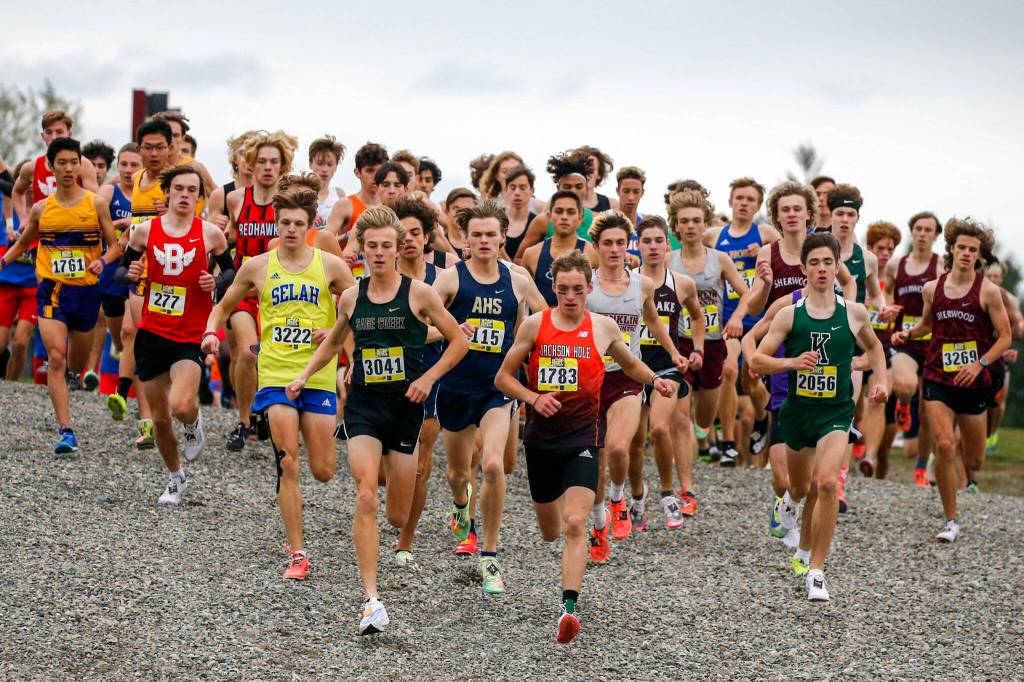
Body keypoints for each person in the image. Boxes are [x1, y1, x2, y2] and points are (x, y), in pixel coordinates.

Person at [287, 206, 467, 635]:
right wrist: (305, 375)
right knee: (366, 494)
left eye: (387, 245)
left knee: (397, 516)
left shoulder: (420, 294)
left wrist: (428, 377)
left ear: (400, 247)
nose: (381, 252)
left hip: (406, 407)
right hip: (364, 406)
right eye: (373, 246)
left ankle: (399, 504)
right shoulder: (352, 297)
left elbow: (459, 340)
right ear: (363, 250)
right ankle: (371, 598)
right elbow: (334, 343)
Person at [495, 250, 675, 644]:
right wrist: (533, 397)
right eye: (563, 290)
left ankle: (569, 609)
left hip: (583, 437)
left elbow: (629, 364)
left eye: (578, 289)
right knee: (550, 531)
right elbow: (503, 378)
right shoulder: (535, 325)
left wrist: (655, 380)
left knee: (575, 523)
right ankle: (566, 573)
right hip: (541, 440)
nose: (571, 297)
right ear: (554, 289)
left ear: (589, 289)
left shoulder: (603, 327)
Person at [205, 188, 354, 574]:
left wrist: (337, 334)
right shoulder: (257, 266)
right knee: (288, 462)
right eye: (284, 222)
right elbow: (223, 305)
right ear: (276, 223)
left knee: (323, 470)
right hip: (275, 374)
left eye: (298, 223)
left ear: (310, 225)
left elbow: (359, 307)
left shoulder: (330, 265)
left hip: (317, 376)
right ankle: (298, 553)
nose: (290, 229)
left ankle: (311, 454)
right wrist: (210, 333)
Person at [752, 232, 888, 602]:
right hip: (798, 412)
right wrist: (791, 362)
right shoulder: (790, 315)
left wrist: (882, 381)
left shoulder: (853, 313)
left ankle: (816, 571)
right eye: (815, 263)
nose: (822, 269)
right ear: (804, 269)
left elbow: (876, 348)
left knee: (826, 484)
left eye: (829, 262)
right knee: (800, 487)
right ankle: (789, 503)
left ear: (837, 266)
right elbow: (758, 359)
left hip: (836, 413)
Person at [432, 200, 547, 593]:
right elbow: (420, 326)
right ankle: (460, 505)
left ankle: (490, 556)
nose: (483, 241)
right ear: (466, 239)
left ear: (502, 238)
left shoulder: (518, 279)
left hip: (497, 387)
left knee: (495, 465)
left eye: (490, 235)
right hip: (455, 387)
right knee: (457, 474)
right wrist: (452, 330)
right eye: (476, 235)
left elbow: (546, 321)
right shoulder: (450, 280)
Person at [119, 165, 233, 503]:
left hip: (190, 333)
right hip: (152, 332)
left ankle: (193, 423)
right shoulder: (144, 231)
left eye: (192, 190)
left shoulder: (210, 233)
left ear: (199, 197)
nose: (185, 195)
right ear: (167, 192)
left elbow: (231, 271)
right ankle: (175, 476)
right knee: (159, 419)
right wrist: (130, 273)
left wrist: (216, 281)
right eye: (179, 189)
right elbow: (121, 271)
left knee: (181, 404)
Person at [892, 218, 1010, 543]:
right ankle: (951, 520)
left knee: (974, 460)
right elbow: (926, 325)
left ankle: (960, 466)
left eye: (973, 250)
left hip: (973, 382)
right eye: (962, 248)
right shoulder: (933, 288)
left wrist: (980, 363)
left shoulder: (988, 291)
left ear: (980, 255)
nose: (967, 254)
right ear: (952, 250)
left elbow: (1005, 336)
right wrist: (907, 334)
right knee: (944, 446)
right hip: (937, 375)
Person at [1, 138, 117, 453]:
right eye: (61, 163)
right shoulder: (41, 209)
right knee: (55, 357)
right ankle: (66, 431)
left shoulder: (95, 204)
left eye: (73, 162)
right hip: (52, 290)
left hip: (86, 292)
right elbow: (22, 243)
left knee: (75, 365)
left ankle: (71, 375)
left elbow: (115, 245)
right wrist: (3, 261)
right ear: (51, 167)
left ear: (80, 165)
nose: (68, 168)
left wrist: (103, 261)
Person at [586, 211, 687, 556]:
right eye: (608, 243)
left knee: (619, 448)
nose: (615, 249)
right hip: (591, 379)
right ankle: (598, 526)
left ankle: (618, 499)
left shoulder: (641, 284)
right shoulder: (587, 285)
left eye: (620, 243)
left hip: (627, 376)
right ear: (596, 246)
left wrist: (673, 352)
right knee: (596, 460)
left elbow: (654, 321)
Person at [392, 196, 458, 566]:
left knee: (419, 464)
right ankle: (395, 507)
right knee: (389, 464)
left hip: (431, 375)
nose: (409, 240)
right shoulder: (382, 277)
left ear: (427, 236)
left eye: (415, 233)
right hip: (384, 377)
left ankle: (405, 541)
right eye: (402, 234)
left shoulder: (442, 279)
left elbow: (452, 330)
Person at [627, 215, 704, 529]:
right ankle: (636, 497)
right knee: (634, 441)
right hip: (633, 366)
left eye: (659, 240)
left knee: (660, 428)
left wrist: (697, 349)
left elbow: (697, 317)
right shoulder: (628, 281)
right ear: (638, 245)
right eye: (647, 241)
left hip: (668, 366)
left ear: (667, 243)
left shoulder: (682, 283)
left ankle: (669, 494)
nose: (653, 247)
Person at [223, 130, 299, 450]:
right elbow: (230, 235)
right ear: (251, 164)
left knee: (274, 356)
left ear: (283, 166)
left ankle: (269, 411)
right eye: (262, 161)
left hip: (279, 291)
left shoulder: (290, 203)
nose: (267, 167)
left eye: (274, 162)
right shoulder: (235, 199)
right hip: (244, 290)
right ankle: (244, 421)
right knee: (246, 352)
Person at [668, 190, 753, 468]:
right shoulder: (668, 260)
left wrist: (737, 317)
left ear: (705, 224)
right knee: (680, 415)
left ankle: (703, 435)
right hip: (679, 342)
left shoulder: (720, 259)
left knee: (704, 417)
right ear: (676, 226)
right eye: (684, 221)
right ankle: (686, 473)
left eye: (696, 221)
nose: (690, 226)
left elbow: (746, 293)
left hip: (713, 342)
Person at [703, 177, 780, 463]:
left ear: (758, 206)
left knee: (751, 381)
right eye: (739, 198)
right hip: (727, 319)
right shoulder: (714, 236)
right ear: (731, 201)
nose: (744, 204)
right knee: (728, 370)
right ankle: (728, 443)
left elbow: (789, 254)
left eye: (750, 200)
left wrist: (764, 254)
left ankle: (761, 418)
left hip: (758, 320)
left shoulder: (765, 233)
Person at [886, 211, 942, 485]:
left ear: (936, 235)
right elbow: (886, 293)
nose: (922, 234)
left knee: (929, 411)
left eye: (928, 230)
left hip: (932, 343)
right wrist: (888, 306)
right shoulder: (896, 265)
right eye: (918, 228)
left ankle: (921, 467)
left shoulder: (941, 266)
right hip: (904, 340)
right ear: (912, 232)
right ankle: (904, 404)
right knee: (906, 385)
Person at [95, 143, 143, 391]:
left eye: (134, 165)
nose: (128, 169)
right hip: (112, 272)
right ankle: (124, 367)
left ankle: (134, 390)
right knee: (119, 337)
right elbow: (92, 219)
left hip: (138, 271)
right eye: (124, 164)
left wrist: (134, 222)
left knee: (130, 331)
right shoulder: (109, 192)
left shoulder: (151, 195)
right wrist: (115, 224)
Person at [11, 110, 99, 223]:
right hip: (41, 231)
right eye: (49, 132)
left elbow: (95, 204)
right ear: (43, 136)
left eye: (59, 132)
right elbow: (17, 192)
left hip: (73, 229)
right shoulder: (31, 167)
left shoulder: (84, 164)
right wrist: (23, 219)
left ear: (69, 134)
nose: (54, 137)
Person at [513, 151, 598, 259]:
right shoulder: (543, 221)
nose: (573, 191)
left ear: (586, 188)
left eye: (578, 186)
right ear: (558, 188)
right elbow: (518, 258)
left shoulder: (596, 220)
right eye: (567, 187)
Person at [521, 191, 598, 308]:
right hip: (542, 319)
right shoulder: (531, 254)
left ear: (580, 217)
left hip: (581, 319)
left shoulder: (593, 254)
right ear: (549, 216)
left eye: (571, 212)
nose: (564, 217)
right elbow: (522, 300)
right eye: (559, 211)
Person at [326, 141, 388, 244]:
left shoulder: (389, 205)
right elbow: (323, 242)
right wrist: (350, 235)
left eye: (379, 171)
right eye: (370, 171)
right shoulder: (345, 205)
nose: (375, 176)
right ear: (357, 172)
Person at [306, 135, 347, 229]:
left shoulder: (339, 194)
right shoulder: (299, 193)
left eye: (330, 164)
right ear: (310, 164)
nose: (324, 169)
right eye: (320, 163)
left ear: (336, 167)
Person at [500, 164, 536, 262]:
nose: (517, 192)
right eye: (512, 187)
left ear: (532, 190)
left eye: (522, 188)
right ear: (506, 189)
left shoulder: (537, 223)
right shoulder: (493, 219)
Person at [575, 145, 618, 212]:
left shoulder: (612, 205)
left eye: (591, 171)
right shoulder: (563, 203)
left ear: (599, 174)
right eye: (582, 169)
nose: (586, 175)